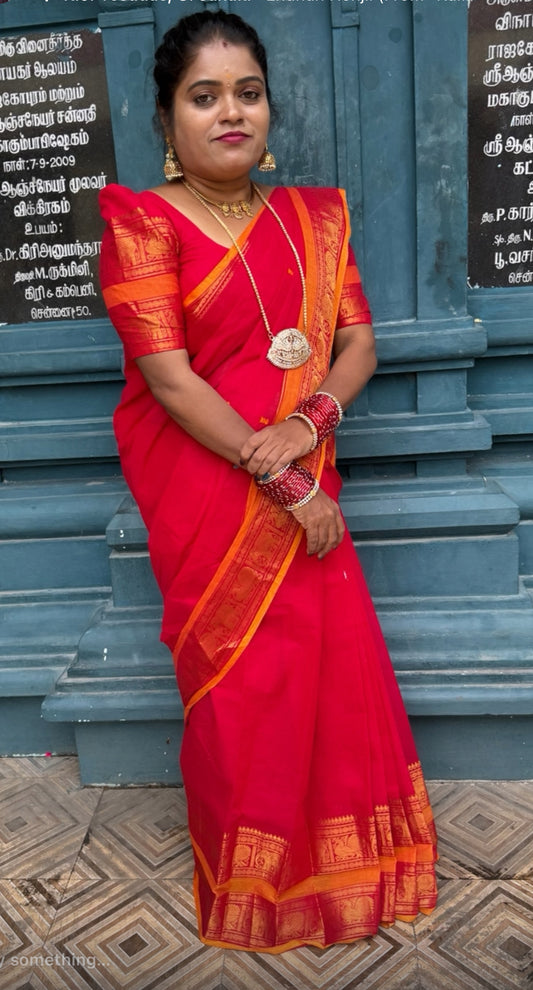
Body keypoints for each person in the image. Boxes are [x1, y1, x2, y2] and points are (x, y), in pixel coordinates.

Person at [98, 9, 437, 953]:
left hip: (302, 462)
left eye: (247, 92)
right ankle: (255, 880)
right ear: (167, 121)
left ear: (269, 111)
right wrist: (289, 486)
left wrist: (309, 423)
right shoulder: (141, 225)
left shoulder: (314, 220)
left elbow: (356, 344)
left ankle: (341, 863)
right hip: (212, 491)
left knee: (320, 672)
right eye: (203, 97)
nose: (230, 112)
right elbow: (169, 380)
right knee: (244, 688)